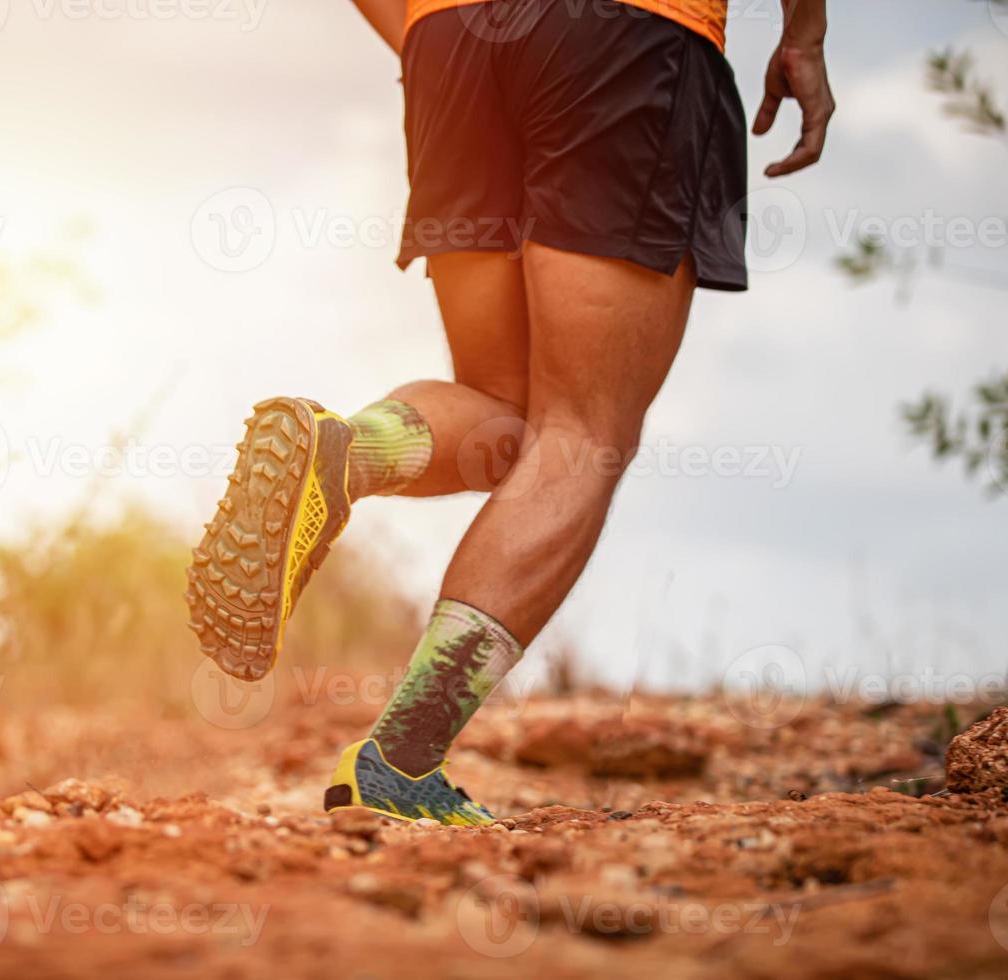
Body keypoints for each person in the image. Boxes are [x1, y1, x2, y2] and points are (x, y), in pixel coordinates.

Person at [186, 0, 834, 825]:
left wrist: (430, 34)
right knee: (583, 438)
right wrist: (803, 36)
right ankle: (399, 764)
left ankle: (341, 451)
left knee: (509, 424)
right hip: (629, 35)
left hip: (455, 40)